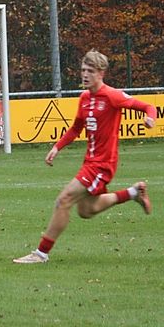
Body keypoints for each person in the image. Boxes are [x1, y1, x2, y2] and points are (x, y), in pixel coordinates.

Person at [13, 49, 156, 264]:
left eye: (90, 71)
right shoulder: (85, 98)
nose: (85, 75)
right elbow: (75, 128)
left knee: (64, 200)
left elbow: (147, 106)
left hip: (102, 164)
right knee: (87, 210)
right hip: (90, 162)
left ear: (101, 73)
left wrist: (150, 119)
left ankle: (40, 253)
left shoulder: (112, 96)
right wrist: (57, 147)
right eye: (83, 70)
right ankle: (133, 192)